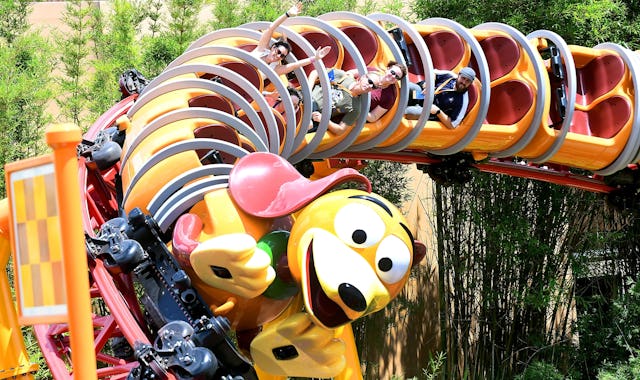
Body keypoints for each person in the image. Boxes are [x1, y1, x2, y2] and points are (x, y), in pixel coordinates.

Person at [251, 2, 331, 76]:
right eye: (279, 52)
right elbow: (271, 28)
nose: (278, 55)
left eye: (282, 56)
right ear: (273, 47)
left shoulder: (275, 68)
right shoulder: (262, 49)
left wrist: (315, 58)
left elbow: (294, 65)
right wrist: (287, 14)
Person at [307, 68, 380, 135]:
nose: (370, 86)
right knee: (308, 123)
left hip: (316, 116)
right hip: (308, 100)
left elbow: (340, 130)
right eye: (370, 81)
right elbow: (316, 72)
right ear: (363, 77)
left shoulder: (355, 108)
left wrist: (324, 120)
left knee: (311, 126)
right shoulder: (342, 76)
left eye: (374, 87)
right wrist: (308, 90)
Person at [405, 66, 476, 129]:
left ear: (470, 83)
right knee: (410, 88)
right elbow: (434, 72)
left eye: (468, 81)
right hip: (422, 96)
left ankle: (397, 121)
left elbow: (452, 125)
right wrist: (429, 85)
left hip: (429, 112)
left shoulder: (463, 101)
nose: (464, 82)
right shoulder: (450, 76)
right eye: (463, 78)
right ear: (458, 75)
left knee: (410, 112)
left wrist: (438, 112)